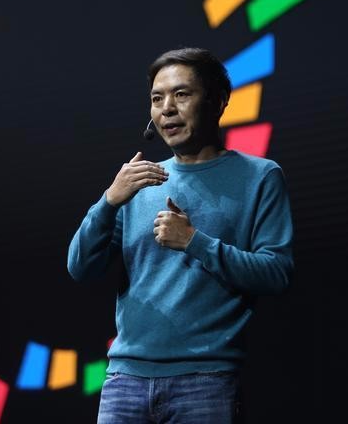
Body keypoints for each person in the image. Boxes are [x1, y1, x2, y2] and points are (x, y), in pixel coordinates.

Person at [67, 47, 294, 423]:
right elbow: (80, 267)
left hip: (206, 381)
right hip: (124, 380)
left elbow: (276, 274)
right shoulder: (139, 182)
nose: (167, 109)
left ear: (218, 101)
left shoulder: (260, 176)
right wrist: (108, 202)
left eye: (182, 94)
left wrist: (194, 242)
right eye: (157, 99)